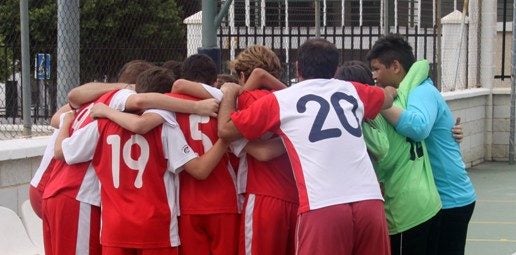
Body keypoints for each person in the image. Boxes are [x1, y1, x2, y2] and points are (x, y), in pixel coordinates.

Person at [217, 38, 395, 255]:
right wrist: (391, 92)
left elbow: (225, 130)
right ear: (335, 68)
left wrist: (228, 93)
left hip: (322, 203)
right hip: (370, 201)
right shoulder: (352, 90)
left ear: (298, 68)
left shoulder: (282, 100)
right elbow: (387, 99)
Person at [54, 66, 229, 255]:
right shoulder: (166, 126)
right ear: (165, 98)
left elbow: (62, 151)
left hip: (115, 228)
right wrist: (227, 137)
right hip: (156, 228)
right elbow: (199, 170)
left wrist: (66, 122)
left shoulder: (101, 123)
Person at [369, 34, 476, 255]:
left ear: (396, 66)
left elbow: (419, 128)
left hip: (450, 198)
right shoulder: (410, 93)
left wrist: (376, 101)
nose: (375, 76)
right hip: (438, 198)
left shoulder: (421, 91)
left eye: (377, 69)